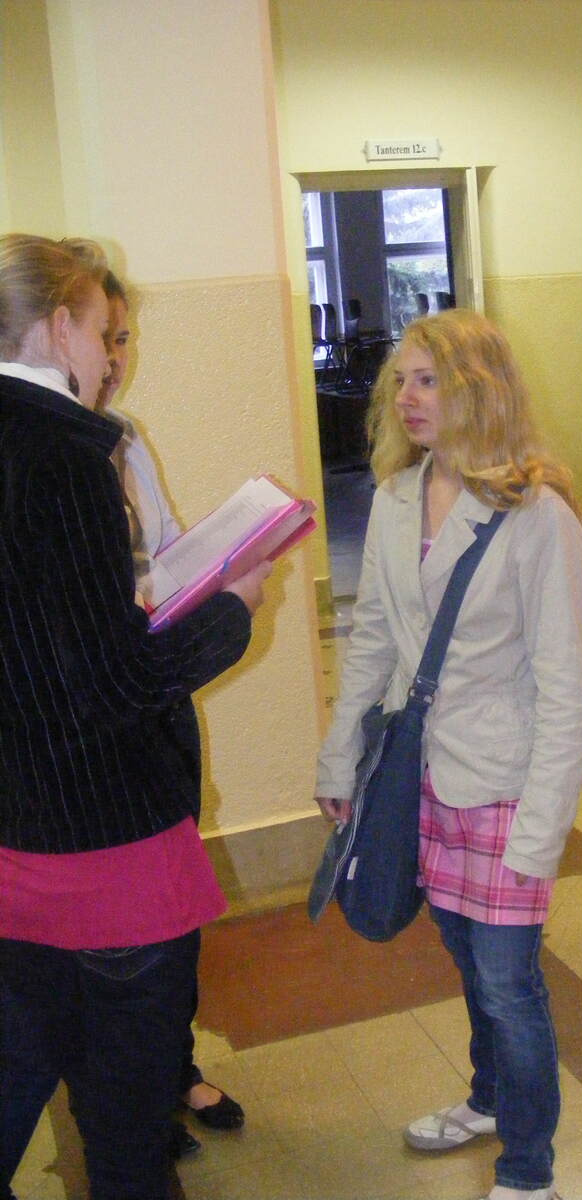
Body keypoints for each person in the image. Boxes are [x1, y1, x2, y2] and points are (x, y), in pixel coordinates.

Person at [0, 234, 271, 1200]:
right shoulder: (70, 452)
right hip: (104, 841)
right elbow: (110, 685)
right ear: (56, 326)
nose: (110, 353)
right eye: (101, 330)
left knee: (26, 1059)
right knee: (125, 1122)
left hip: (18, 826)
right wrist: (234, 606)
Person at [315, 310, 582, 1200]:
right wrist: (338, 761)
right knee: (469, 963)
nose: (407, 397)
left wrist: (541, 834)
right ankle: (487, 1098)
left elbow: (566, 691)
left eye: (428, 380)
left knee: (510, 982)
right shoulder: (396, 497)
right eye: (400, 380)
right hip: (423, 779)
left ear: (479, 390)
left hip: (506, 782)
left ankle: (528, 1169)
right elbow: (373, 641)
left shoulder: (538, 517)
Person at [94, 261, 246, 1153]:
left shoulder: (125, 438)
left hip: (158, 704)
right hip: (96, 722)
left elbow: (165, 546)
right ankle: (128, 1098)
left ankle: (174, 1065)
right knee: (113, 930)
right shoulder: (41, 454)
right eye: (102, 336)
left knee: (176, 900)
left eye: (124, 337)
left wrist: (220, 565)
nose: (116, 357)